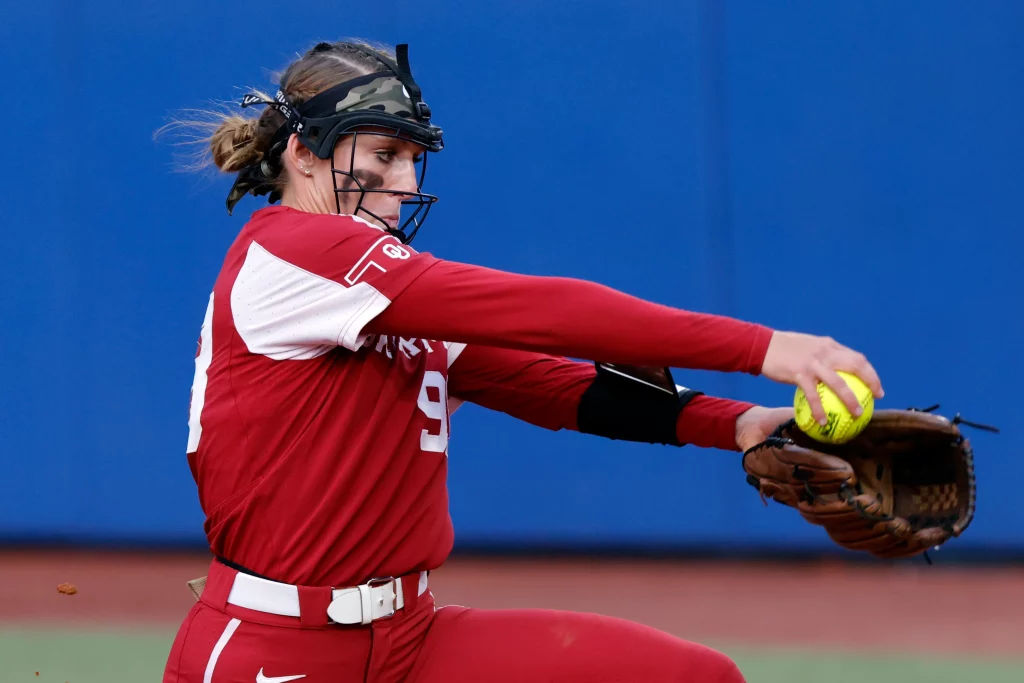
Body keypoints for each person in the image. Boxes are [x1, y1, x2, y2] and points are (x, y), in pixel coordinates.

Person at [161, 39, 883, 683]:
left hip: (411, 640)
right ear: (305, 152)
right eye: (383, 154)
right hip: (276, 649)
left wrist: (742, 423)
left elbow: (553, 385)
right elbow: (543, 312)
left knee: (696, 675)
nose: (407, 181)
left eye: (413, 158)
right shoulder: (292, 252)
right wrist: (767, 348)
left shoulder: (375, 288)